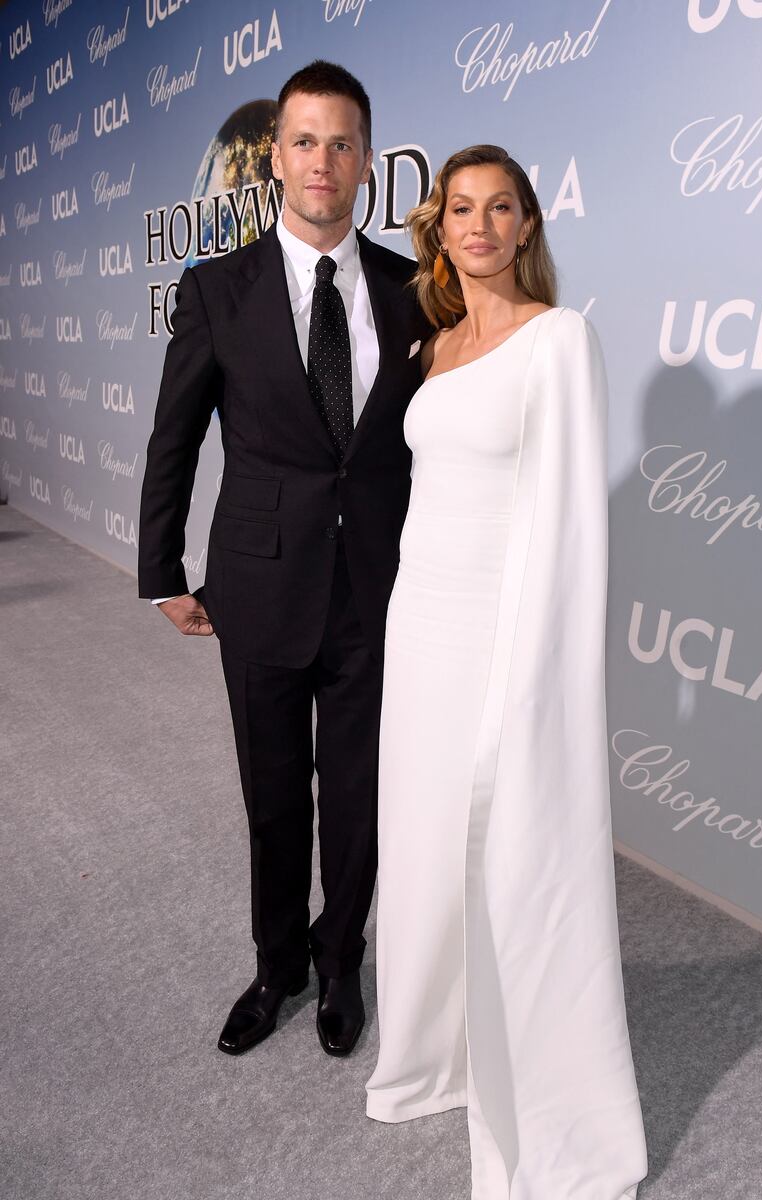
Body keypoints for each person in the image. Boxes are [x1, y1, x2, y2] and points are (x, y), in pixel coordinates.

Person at [364, 145, 648, 1199]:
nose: (477, 226)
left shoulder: (556, 341)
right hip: (419, 632)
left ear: (527, 226)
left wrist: (536, 686)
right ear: (436, 227)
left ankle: (552, 1113)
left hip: (499, 641)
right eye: (458, 209)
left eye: (500, 208)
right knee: (429, 852)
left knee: (514, 861)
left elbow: (569, 526)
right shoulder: (430, 345)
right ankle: (437, 1055)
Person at [137, 61, 429, 1058]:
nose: (323, 161)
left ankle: (340, 958)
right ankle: (276, 965)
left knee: (356, 797)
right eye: (304, 140)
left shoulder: (410, 291)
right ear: (276, 155)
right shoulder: (218, 288)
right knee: (272, 795)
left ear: (364, 161)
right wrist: (160, 569)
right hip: (257, 585)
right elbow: (172, 436)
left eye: (342, 142)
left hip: (374, 594)